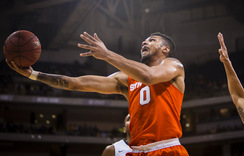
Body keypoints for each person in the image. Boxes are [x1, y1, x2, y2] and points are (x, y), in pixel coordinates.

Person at [7, 31, 189, 156]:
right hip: (137, 151)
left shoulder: (174, 65)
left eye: (152, 40)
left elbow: (149, 77)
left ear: (165, 50)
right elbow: (76, 84)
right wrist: (34, 75)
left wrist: (107, 55)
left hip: (167, 149)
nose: (144, 42)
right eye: (145, 40)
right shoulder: (127, 80)